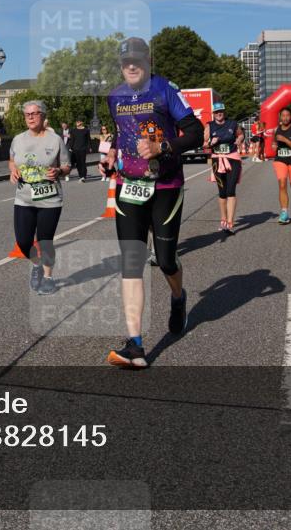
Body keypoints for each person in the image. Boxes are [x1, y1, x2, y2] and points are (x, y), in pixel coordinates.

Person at [100, 37, 204, 369]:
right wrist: (113, 152)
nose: (131, 65)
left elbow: (195, 132)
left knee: (166, 259)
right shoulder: (115, 96)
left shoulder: (164, 91)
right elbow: (121, 132)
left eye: (138, 60)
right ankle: (136, 345)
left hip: (166, 186)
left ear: (148, 62)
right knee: (132, 261)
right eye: (126, 61)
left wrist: (163, 148)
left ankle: (178, 297)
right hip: (128, 187)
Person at [9, 100, 71, 296]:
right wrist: (13, 171)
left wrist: (59, 171)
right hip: (24, 198)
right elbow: (11, 160)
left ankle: (48, 278)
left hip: (49, 199)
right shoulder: (18, 139)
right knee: (23, 242)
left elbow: (67, 166)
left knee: (45, 240)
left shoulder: (55, 140)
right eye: (27, 114)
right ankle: (36, 264)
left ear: (43, 116)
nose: (30, 117)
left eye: (35, 113)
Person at [206, 102, 245, 233]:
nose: (219, 114)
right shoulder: (209, 126)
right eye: (216, 112)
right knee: (222, 192)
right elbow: (204, 143)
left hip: (232, 159)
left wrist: (239, 139)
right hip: (217, 160)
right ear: (213, 114)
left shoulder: (232, 124)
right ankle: (223, 219)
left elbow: (240, 134)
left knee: (231, 190)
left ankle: (230, 222)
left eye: (221, 111)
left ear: (224, 112)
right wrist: (211, 142)